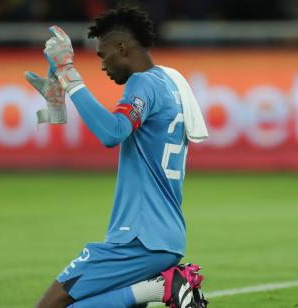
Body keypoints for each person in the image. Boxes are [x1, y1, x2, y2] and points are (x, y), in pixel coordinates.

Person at [25, 6, 208, 308]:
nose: (102, 65)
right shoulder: (170, 81)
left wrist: (69, 75)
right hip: (165, 238)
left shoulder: (144, 82)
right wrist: (57, 100)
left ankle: (163, 288)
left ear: (122, 47)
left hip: (138, 237)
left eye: (102, 54)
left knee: (51, 304)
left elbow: (113, 132)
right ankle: (156, 288)